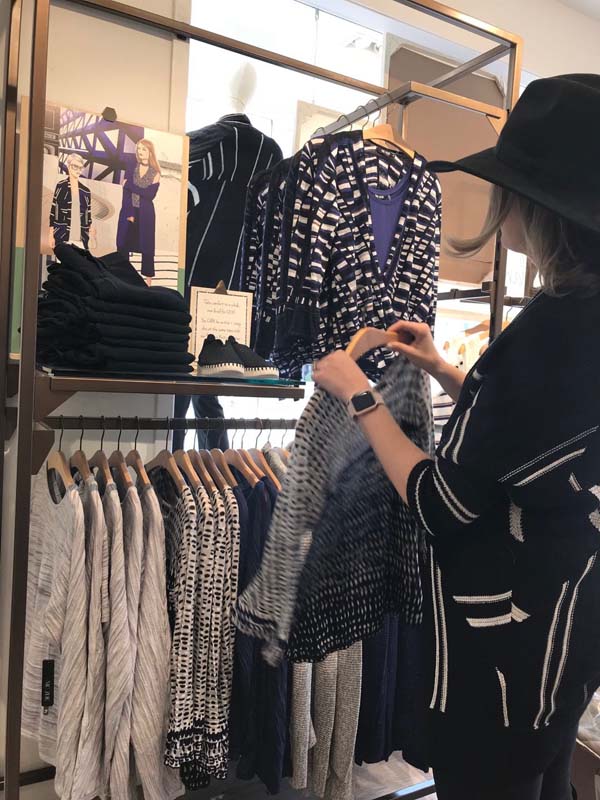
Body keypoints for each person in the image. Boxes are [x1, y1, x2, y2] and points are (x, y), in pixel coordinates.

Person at [313, 74, 600, 800]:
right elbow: (532, 450)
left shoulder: (546, 334)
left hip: (501, 657)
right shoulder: (582, 320)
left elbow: (443, 501)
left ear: (540, 207)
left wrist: (359, 394)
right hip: (566, 634)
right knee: (547, 773)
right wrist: (446, 369)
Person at [117, 138, 161, 286]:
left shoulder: (156, 172)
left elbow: (150, 195)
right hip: (129, 210)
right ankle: (123, 277)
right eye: (139, 149)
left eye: (144, 149)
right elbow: (125, 192)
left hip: (146, 214)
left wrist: (130, 185)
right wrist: (129, 213)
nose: (140, 152)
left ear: (150, 152)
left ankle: (148, 283)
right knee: (122, 243)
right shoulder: (131, 166)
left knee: (147, 248)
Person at [48, 153, 95, 250]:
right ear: (68, 166)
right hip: (62, 236)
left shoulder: (86, 191)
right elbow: (53, 212)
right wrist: (50, 235)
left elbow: (88, 216)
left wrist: (91, 233)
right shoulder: (61, 186)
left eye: (80, 167)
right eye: (75, 166)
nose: (78, 170)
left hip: (81, 239)